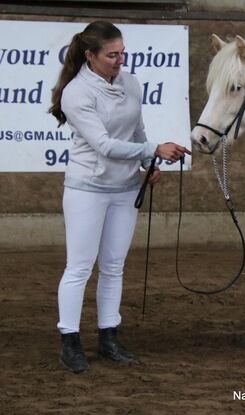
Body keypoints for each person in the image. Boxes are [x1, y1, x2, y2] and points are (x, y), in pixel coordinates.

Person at [48, 21, 190, 374]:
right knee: (79, 267)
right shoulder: (77, 92)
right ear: (90, 56)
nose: (119, 60)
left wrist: (148, 161)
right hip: (86, 189)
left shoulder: (131, 84)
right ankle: (70, 341)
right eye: (112, 55)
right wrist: (153, 148)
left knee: (113, 266)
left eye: (122, 53)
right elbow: (104, 145)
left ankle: (109, 337)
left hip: (125, 189)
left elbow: (136, 131)